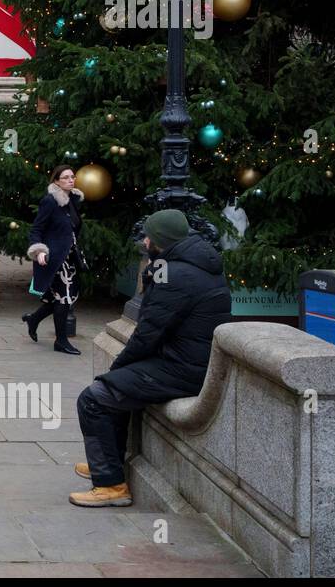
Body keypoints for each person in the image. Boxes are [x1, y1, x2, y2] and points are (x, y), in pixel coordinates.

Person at [71, 209, 232, 508]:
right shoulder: (192, 263)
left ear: (161, 240)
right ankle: (106, 465)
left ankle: (111, 485)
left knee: (94, 398)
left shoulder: (176, 275)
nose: (144, 241)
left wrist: (119, 366)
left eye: (149, 237)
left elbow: (148, 333)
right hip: (187, 361)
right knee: (111, 390)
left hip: (183, 369)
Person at [25, 164, 86, 356]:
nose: (71, 180)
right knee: (64, 299)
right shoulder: (50, 201)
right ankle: (61, 341)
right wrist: (39, 251)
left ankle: (33, 319)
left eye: (73, 177)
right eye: (66, 177)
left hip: (69, 258)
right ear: (57, 181)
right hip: (54, 259)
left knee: (58, 299)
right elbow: (36, 229)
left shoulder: (72, 201)